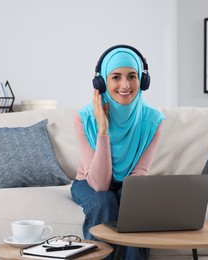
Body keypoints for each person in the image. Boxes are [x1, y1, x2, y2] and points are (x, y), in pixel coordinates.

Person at [70, 45, 165, 259]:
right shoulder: (84, 118)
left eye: (132, 76)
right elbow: (99, 184)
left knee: (135, 203)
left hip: (129, 183)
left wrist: (131, 196)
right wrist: (102, 130)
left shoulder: (153, 120)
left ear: (143, 81)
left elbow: (139, 175)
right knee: (104, 201)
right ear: (102, 82)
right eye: (116, 77)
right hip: (88, 182)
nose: (125, 85)